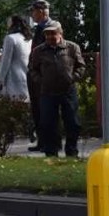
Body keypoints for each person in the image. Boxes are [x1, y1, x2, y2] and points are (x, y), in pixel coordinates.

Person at [28, 21, 86, 158]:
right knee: (48, 123)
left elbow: (81, 66)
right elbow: (32, 69)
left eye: (53, 34)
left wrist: (73, 78)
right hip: (47, 91)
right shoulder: (38, 51)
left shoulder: (72, 47)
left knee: (72, 122)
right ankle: (51, 152)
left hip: (67, 90)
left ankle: (71, 151)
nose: (50, 37)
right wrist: (40, 81)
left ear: (60, 33)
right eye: (47, 34)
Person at [27, 0, 53, 151]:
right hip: (35, 75)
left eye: (34, 11)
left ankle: (49, 142)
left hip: (45, 76)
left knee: (47, 110)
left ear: (42, 11)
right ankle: (42, 142)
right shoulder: (39, 29)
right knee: (37, 109)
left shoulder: (51, 28)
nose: (32, 14)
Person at [0, 15, 32, 100]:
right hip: (26, 76)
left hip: (13, 78)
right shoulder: (28, 39)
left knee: (13, 106)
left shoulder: (10, 38)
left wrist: (0, 80)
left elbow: (5, 61)